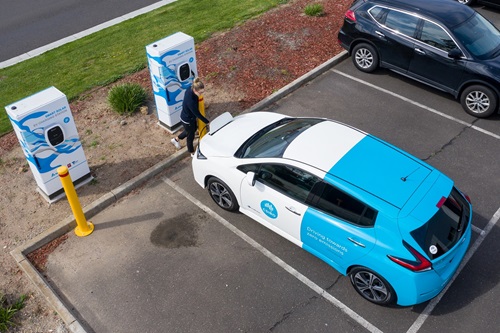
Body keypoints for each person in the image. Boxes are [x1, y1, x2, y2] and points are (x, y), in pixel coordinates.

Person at [171, 78, 209, 155]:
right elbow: (197, 113)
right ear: (195, 90)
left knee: (193, 129)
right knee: (190, 137)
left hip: (188, 117)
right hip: (187, 120)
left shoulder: (191, 88)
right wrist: (207, 121)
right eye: (200, 92)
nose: (201, 94)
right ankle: (191, 152)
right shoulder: (190, 101)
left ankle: (176, 139)